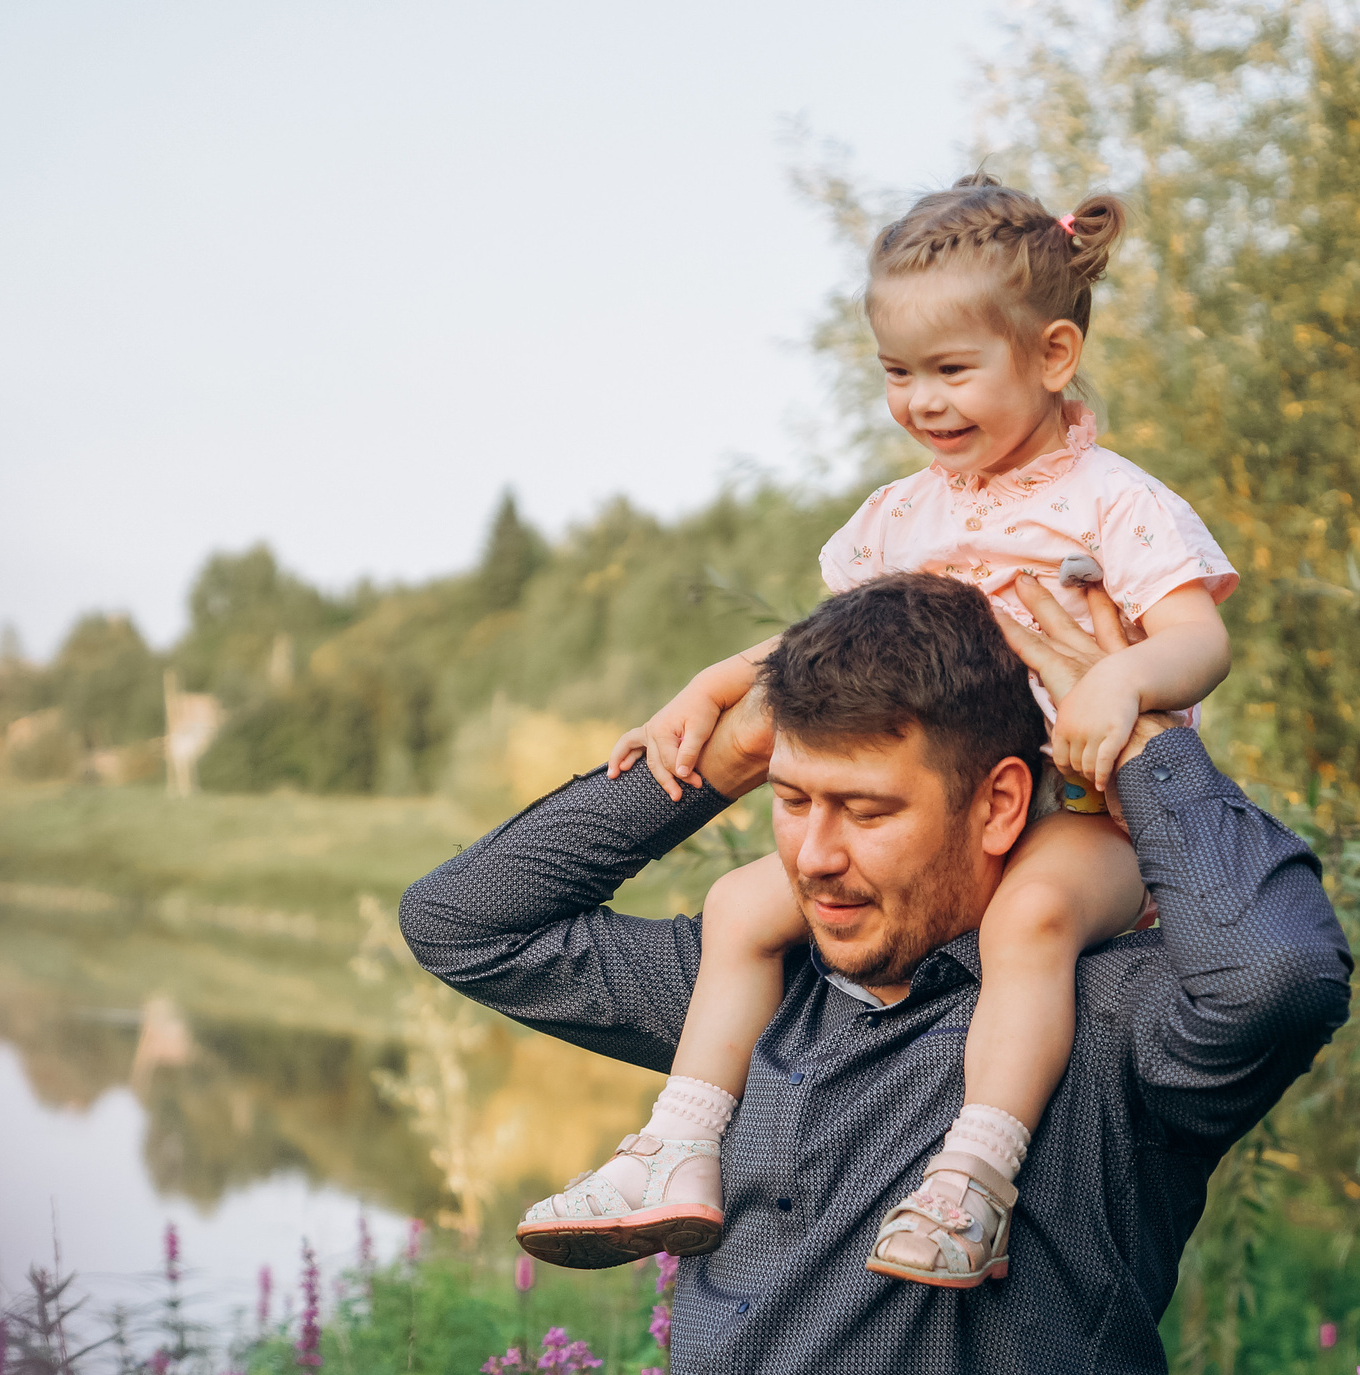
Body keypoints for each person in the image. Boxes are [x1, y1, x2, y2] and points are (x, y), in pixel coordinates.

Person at [400, 571, 1351, 1375]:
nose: (812, 855)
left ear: (1000, 805)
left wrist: (1137, 745)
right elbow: (465, 924)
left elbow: (1279, 975)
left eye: (866, 809)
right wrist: (718, 757)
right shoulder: (747, 999)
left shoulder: (1107, 1035)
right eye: (794, 801)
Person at [514, 175, 1240, 1287]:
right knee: (741, 903)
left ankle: (973, 1184)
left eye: (954, 371)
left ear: (1051, 357)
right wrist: (710, 687)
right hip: (941, 828)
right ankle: (679, 1145)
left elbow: (1199, 640)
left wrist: (1125, 679)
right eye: (899, 373)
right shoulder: (902, 517)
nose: (923, 402)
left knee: (1032, 920)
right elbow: (832, 651)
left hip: (1082, 819)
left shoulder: (1113, 501)